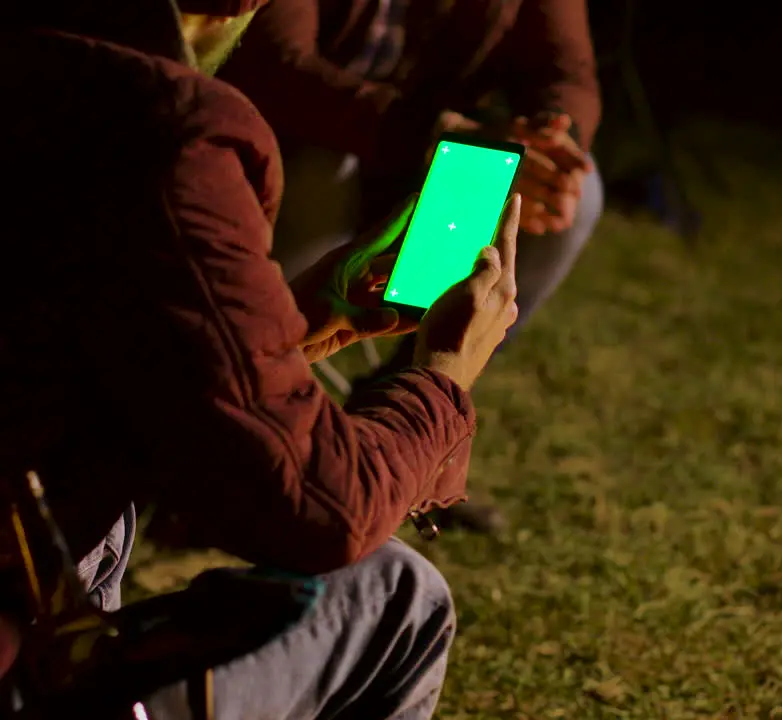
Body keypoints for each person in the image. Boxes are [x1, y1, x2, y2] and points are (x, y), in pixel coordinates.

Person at [0, 0, 520, 716]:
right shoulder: (162, 126)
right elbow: (318, 507)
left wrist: (301, 323)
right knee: (398, 595)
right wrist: (443, 378)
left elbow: (80, 368)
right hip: (28, 670)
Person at [215, 0, 604, 534]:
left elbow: (567, 72)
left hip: (433, 153)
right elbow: (276, 63)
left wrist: (555, 143)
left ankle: (401, 437)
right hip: (314, 139)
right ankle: (237, 429)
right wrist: (430, 134)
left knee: (574, 200)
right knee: (320, 174)